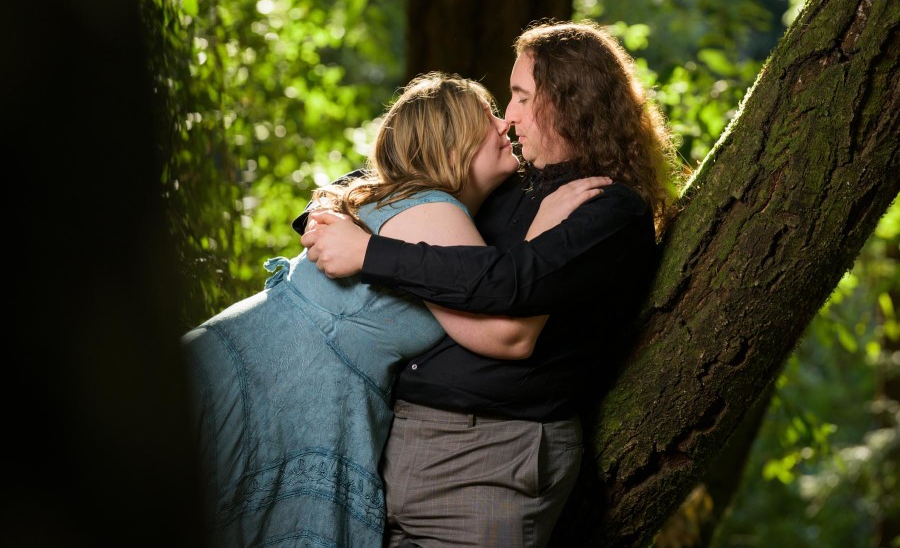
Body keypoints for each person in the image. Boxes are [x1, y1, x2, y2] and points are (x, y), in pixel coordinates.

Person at [181, 71, 606, 548]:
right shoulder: (429, 208)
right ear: (452, 143)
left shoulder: (413, 201)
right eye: (486, 115)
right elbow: (508, 335)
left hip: (272, 373)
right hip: (272, 383)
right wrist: (548, 240)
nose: (503, 120)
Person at [299, 20, 682, 548]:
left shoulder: (608, 207)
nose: (510, 116)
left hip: (491, 459)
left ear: (571, 102)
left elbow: (507, 285)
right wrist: (325, 209)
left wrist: (369, 252)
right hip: (398, 445)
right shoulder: (512, 181)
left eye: (522, 96)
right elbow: (402, 177)